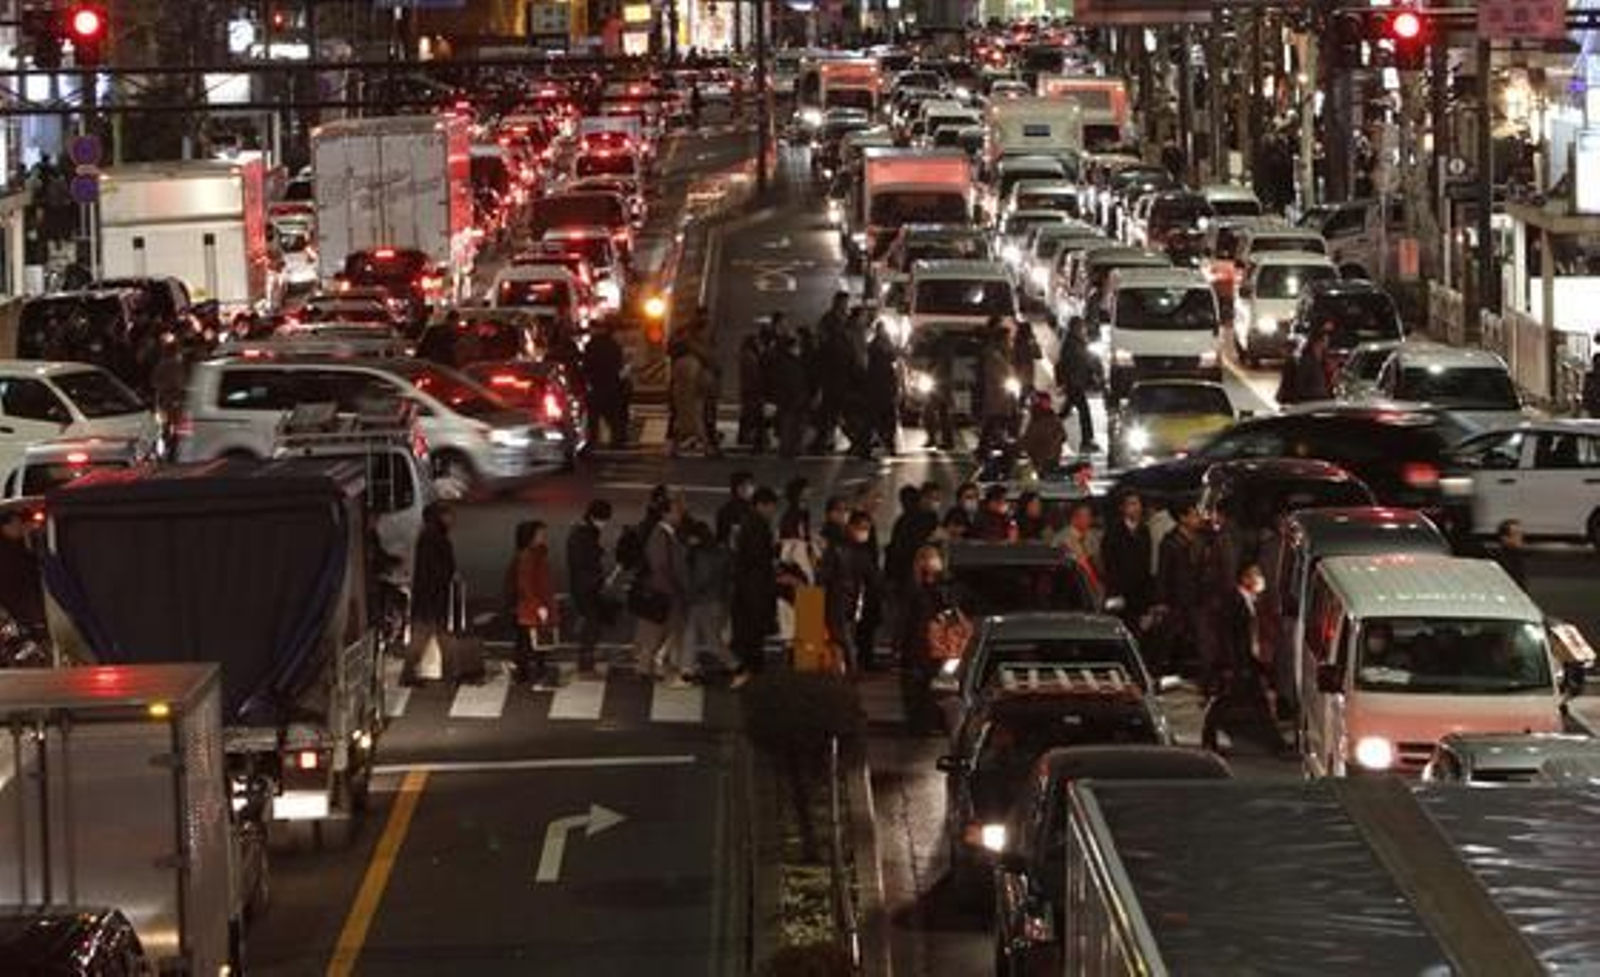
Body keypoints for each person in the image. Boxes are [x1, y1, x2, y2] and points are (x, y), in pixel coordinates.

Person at [1201, 563, 1292, 756]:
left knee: (1256, 702)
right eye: (1255, 575)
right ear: (1244, 579)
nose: (1260, 579)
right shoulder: (1234, 600)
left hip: (1244, 661)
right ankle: (1209, 741)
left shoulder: (1249, 600)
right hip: (1235, 662)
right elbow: (1228, 635)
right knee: (1225, 701)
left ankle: (1276, 744)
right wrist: (1231, 664)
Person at [896, 545, 956, 735]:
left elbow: (950, 610)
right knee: (916, 685)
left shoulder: (943, 586)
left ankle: (931, 721)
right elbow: (905, 617)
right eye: (928, 558)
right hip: (917, 644)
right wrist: (898, 644)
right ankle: (918, 724)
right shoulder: (913, 587)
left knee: (934, 684)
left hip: (937, 643)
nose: (932, 563)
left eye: (934, 558)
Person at [634, 492, 689, 681]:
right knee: (659, 631)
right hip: (665, 593)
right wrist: (672, 591)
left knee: (663, 631)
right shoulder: (660, 535)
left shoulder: (668, 533)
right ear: (665, 514)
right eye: (676, 512)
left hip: (667, 591)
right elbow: (660, 566)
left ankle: (651, 667)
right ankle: (648, 668)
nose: (679, 515)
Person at [730, 487, 781, 687]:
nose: (772, 511)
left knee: (750, 632)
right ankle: (751, 672)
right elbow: (758, 558)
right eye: (771, 507)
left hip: (748, 586)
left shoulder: (749, 523)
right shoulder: (758, 526)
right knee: (753, 633)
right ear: (761, 505)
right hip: (755, 588)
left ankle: (750, 670)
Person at [1153, 501, 1209, 679]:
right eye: (1194, 515)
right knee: (1170, 640)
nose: (1198, 519)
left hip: (1197, 599)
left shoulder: (1201, 540)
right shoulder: (1170, 542)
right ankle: (1164, 674)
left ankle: (1194, 676)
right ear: (1182, 518)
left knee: (1198, 639)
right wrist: (1161, 601)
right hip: (1175, 599)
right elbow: (1162, 574)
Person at [403, 502, 457, 686]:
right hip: (432, 597)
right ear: (438, 517)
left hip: (427, 597)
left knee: (429, 637)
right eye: (448, 515)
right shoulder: (434, 538)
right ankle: (447, 675)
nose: (451, 519)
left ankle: (412, 674)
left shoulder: (429, 536)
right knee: (436, 636)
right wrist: (448, 575)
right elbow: (435, 570)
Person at [679, 520, 735, 683]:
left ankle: (734, 665)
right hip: (714, 599)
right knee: (692, 634)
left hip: (704, 601)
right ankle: (687, 669)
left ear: (697, 537)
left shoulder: (702, 554)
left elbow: (702, 578)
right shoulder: (719, 551)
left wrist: (689, 591)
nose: (688, 541)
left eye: (690, 538)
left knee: (710, 639)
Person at [820, 511, 876, 671]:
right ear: (851, 527)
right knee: (843, 639)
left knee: (844, 638)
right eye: (861, 528)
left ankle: (844, 670)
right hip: (837, 600)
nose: (864, 532)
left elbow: (871, 576)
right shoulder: (838, 549)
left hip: (852, 601)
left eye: (867, 529)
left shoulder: (860, 550)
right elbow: (825, 576)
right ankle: (850, 670)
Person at [567, 500, 612, 676]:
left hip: (587, 585)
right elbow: (581, 563)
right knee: (592, 625)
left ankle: (588, 657)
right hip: (585, 588)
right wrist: (599, 580)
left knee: (594, 623)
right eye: (604, 519)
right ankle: (585, 664)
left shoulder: (587, 531)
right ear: (594, 516)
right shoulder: (582, 534)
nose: (605, 523)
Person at [513, 521, 559, 688]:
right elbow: (525, 584)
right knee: (533, 643)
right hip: (532, 608)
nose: (544, 536)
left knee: (535, 643)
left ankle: (529, 675)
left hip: (536, 606)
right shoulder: (529, 556)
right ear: (531, 537)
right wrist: (538, 606)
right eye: (540, 533)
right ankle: (532, 675)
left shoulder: (538, 554)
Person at [1101, 492, 1154, 626]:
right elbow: (1109, 565)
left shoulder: (1145, 530)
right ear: (1122, 508)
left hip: (1139, 594)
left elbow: (1146, 564)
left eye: (1138, 504)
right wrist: (1114, 593)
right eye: (1131, 504)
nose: (1136, 508)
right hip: (1119, 592)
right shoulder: (1113, 532)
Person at [1055, 316, 1098, 451]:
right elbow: (1069, 364)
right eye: (1081, 326)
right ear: (1075, 327)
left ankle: (1050, 430)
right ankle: (1086, 441)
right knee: (1084, 412)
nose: (1083, 329)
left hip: (1075, 382)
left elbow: (1084, 361)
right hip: (1074, 383)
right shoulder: (1071, 343)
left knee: (1065, 412)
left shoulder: (1075, 342)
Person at [582, 325, 630, 447]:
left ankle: (593, 440)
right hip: (611, 383)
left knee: (593, 416)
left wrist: (587, 379)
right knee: (613, 415)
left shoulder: (591, 345)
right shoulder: (614, 345)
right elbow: (619, 364)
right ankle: (618, 440)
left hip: (595, 384)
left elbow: (586, 365)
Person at [766, 333, 808, 458]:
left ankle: (788, 449)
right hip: (791, 399)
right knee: (789, 425)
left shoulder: (784, 361)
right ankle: (787, 450)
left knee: (789, 424)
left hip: (788, 399)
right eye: (797, 346)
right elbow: (793, 381)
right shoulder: (789, 362)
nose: (799, 349)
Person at [0, 510, 43, 632]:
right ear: (5, 527)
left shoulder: (17, 545)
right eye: (17, 523)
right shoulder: (6, 552)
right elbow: (29, 571)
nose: (21, 527)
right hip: (20, 610)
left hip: (24, 611)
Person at [864, 321, 901, 456]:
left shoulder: (875, 345)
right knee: (882, 417)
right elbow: (892, 357)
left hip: (881, 385)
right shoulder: (877, 345)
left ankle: (883, 444)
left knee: (881, 417)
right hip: (881, 385)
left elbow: (892, 357)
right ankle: (883, 444)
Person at [978, 324, 1016, 450]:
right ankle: (989, 446)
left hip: (1002, 392)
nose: (1009, 342)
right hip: (997, 393)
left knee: (996, 419)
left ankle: (990, 445)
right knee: (995, 419)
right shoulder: (994, 355)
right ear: (1000, 340)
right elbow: (997, 374)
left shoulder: (1003, 354)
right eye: (1007, 339)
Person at [1020, 391, 1067, 475]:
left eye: (1048, 402)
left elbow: (1063, 436)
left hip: (1051, 458)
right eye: (1044, 402)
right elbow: (1026, 439)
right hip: (1039, 459)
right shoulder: (1033, 418)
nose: (1047, 404)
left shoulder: (1053, 418)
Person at [1058, 501, 1102, 590]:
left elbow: (1097, 558)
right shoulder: (1062, 538)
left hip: (1095, 581)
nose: (1089, 520)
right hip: (1073, 585)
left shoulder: (1094, 535)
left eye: (1090, 516)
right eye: (1085, 516)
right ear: (1073, 519)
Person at [1282, 328, 1332, 404]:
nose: (1327, 343)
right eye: (1325, 340)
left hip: (1322, 399)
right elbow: (1299, 383)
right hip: (1311, 400)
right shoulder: (1307, 360)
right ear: (1317, 342)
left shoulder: (1322, 360)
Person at [738, 330, 768, 451]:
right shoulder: (750, 357)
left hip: (748, 389)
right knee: (753, 414)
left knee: (748, 413)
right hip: (752, 391)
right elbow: (755, 375)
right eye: (756, 342)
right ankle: (753, 438)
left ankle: (747, 436)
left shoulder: (745, 355)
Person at [716, 472, 756, 548]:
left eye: (751, 485)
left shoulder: (752, 507)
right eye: (744, 485)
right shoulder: (733, 510)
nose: (749, 489)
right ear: (737, 488)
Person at [1494, 518, 1528, 590]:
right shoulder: (1499, 560)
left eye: (1521, 533)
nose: (1520, 537)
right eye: (1516, 534)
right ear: (1505, 538)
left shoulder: (1518, 556)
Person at [1584, 352, 1600, 417]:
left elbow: (1586, 390)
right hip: (1593, 404)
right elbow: (1586, 390)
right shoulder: (1589, 376)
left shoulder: (1589, 376)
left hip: (1593, 404)